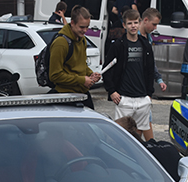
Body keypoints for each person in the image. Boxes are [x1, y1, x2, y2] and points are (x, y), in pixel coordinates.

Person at [104, 9, 155, 140]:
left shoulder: (146, 45)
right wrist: (111, 91)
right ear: (124, 25)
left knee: (138, 134)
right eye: (130, 23)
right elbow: (107, 69)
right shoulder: (118, 46)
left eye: (135, 23)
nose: (133, 26)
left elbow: (150, 70)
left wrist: (149, 94)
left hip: (142, 97)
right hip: (124, 97)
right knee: (122, 134)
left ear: (139, 23)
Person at [49, 5, 102, 109]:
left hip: (82, 94)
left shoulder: (82, 40)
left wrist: (91, 74)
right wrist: (82, 80)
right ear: (72, 23)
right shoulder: (61, 43)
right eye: (82, 27)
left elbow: (81, 65)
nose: (85, 30)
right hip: (65, 96)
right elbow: (54, 75)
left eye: (87, 26)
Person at [138, 7, 167, 141]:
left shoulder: (148, 38)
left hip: (145, 86)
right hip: (136, 86)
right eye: (154, 24)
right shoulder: (134, 37)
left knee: (143, 119)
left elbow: (150, 62)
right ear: (145, 20)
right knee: (142, 119)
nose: (155, 28)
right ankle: (151, 145)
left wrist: (159, 79)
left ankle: (149, 145)